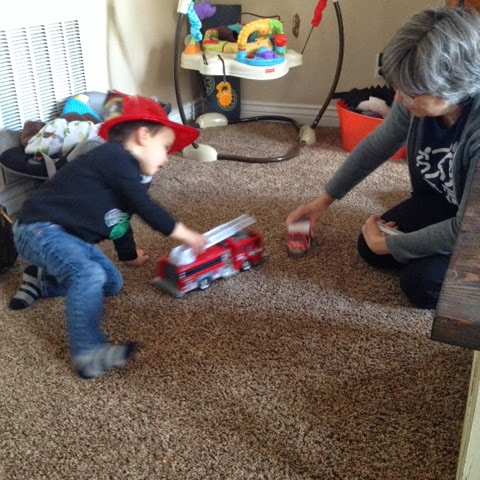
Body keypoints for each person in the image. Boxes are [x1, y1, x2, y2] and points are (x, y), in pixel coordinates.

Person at [287, 6, 480, 309]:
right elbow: (377, 145)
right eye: (397, 87)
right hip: (443, 201)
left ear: (453, 88)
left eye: (411, 93)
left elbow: (466, 229)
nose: (399, 99)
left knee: (421, 283)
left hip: (474, 224)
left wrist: (395, 244)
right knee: (370, 247)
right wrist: (322, 202)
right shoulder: (415, 97)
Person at [9, 90, 206, 379]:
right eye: (165, 147)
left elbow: (120, 219)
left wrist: (129, 255)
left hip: (70, 238)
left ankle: (41, 281)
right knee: (88, 274)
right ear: (143, 136)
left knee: (111, 283)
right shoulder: (113, 156)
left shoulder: (130, 175)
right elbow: (145, 207)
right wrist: (185, 234)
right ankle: (88, 353)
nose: (167, 158)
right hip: (37, 228)